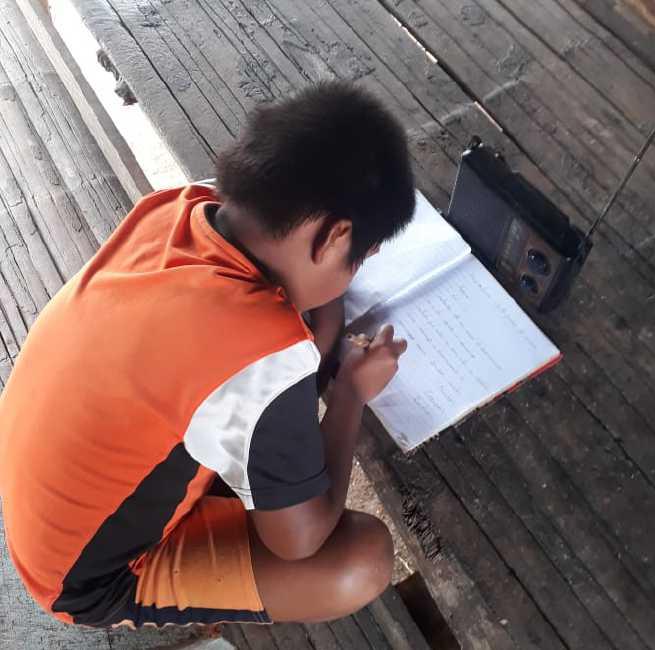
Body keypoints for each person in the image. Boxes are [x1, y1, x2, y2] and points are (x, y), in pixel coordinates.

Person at [0, 81, 415, 627]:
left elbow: (293, 317)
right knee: (361, 560)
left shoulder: (180, 209)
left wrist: (328, 303)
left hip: (46, 490)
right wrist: (351, 394)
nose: (354, 274)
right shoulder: (259, 354)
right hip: (83, 576)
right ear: (335, 237)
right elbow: (300, 540)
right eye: (360, 258)